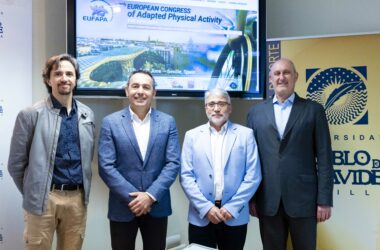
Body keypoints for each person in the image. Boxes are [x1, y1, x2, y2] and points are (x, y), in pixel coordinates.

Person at [8, 53, 96, 250]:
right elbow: (15, 164)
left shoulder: (87, 114)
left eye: (69, 74)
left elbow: (88, 158)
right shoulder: (30, 114)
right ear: (48, 79)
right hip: (44, 198)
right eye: (58, 74)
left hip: (77, 199)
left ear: (76, 78)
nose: (64, 78)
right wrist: (35, 191)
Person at [247, 58, 334, 250]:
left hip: (304, 201)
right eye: (276, 73)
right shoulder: (255, 113)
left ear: (295, 77)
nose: (281, 77)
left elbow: (325, 157)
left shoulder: (313, 110)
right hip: (267, 200)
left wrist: (324, 201)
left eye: (286, 72)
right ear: (270, 78)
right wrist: (251, 198)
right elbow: (250, 161)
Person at [98, 70, 181, 250]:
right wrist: (136, 199)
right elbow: (106, 166)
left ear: (154, 92)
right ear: (127, 90)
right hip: (122, 206)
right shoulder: (110, 122)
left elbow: (173, 163)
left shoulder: (168, 122)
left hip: (156, 206)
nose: (140, 91)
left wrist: (150, 196)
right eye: (135, 86)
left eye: (146, 87)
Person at [180, 88, 262, 250]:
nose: (216, 108)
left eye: (221, 104)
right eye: (211, 104)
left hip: (234, 216)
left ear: (229, 108)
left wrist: (232, 208)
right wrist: (206, 208)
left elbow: (253, 176)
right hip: (201, 216)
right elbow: (186, 176)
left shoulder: (246, 135)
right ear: (205, 108)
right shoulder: (192, 136)